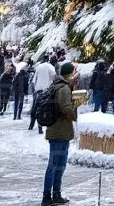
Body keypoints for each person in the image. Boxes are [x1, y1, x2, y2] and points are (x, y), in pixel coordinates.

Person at [41, 62, 77, 206]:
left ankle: (55, 194)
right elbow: (66, 108)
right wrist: (75, 113)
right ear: (70, 74)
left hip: (57, 130)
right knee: (56, 165)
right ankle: (48, 196)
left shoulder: (55, 85)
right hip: (60, 131)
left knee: (58, 165)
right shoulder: (64, 88)